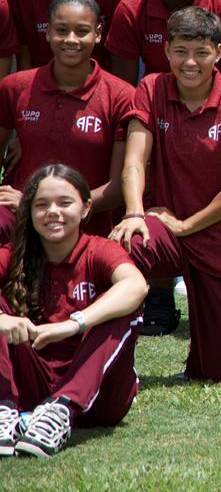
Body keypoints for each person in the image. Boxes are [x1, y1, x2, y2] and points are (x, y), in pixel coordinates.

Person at [108, 7, 221, 383]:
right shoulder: (151, 87)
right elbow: (135, 158)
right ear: (166, 51)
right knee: (127, 245)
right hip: (165, 230)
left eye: (201, 51)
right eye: (181, 50)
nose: (190, 62)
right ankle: (114, 368)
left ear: (218, 53)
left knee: (213, 373)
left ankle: (207, 352)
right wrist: (134, 212)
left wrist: (186, 225)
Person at [105, 0, 221, 336]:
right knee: (149, 204)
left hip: (215, 116)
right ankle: (156, 294)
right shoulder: (132, 9)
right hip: (155, 110)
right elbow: (122, 88)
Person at [0, 165, 147, 458]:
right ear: (28, 211)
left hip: (102, 396)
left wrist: (74, 324)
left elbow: (136, 286)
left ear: (85, 208)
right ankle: (4, 412)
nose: (53, 211)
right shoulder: (14, 253)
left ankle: (62, 408)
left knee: (120, 304)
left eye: (64, 203)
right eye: (41, 205)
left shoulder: (98, 250)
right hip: (34, 385)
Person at [0, 0, 133, 243]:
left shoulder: (122, 95)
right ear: (47, 32)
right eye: (61, 30)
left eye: (82, 31)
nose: (70, 40)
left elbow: (119, 187)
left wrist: (45, 204)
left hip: (89, 225)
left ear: (98, 34)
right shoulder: (15, 87)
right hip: (22, 219)